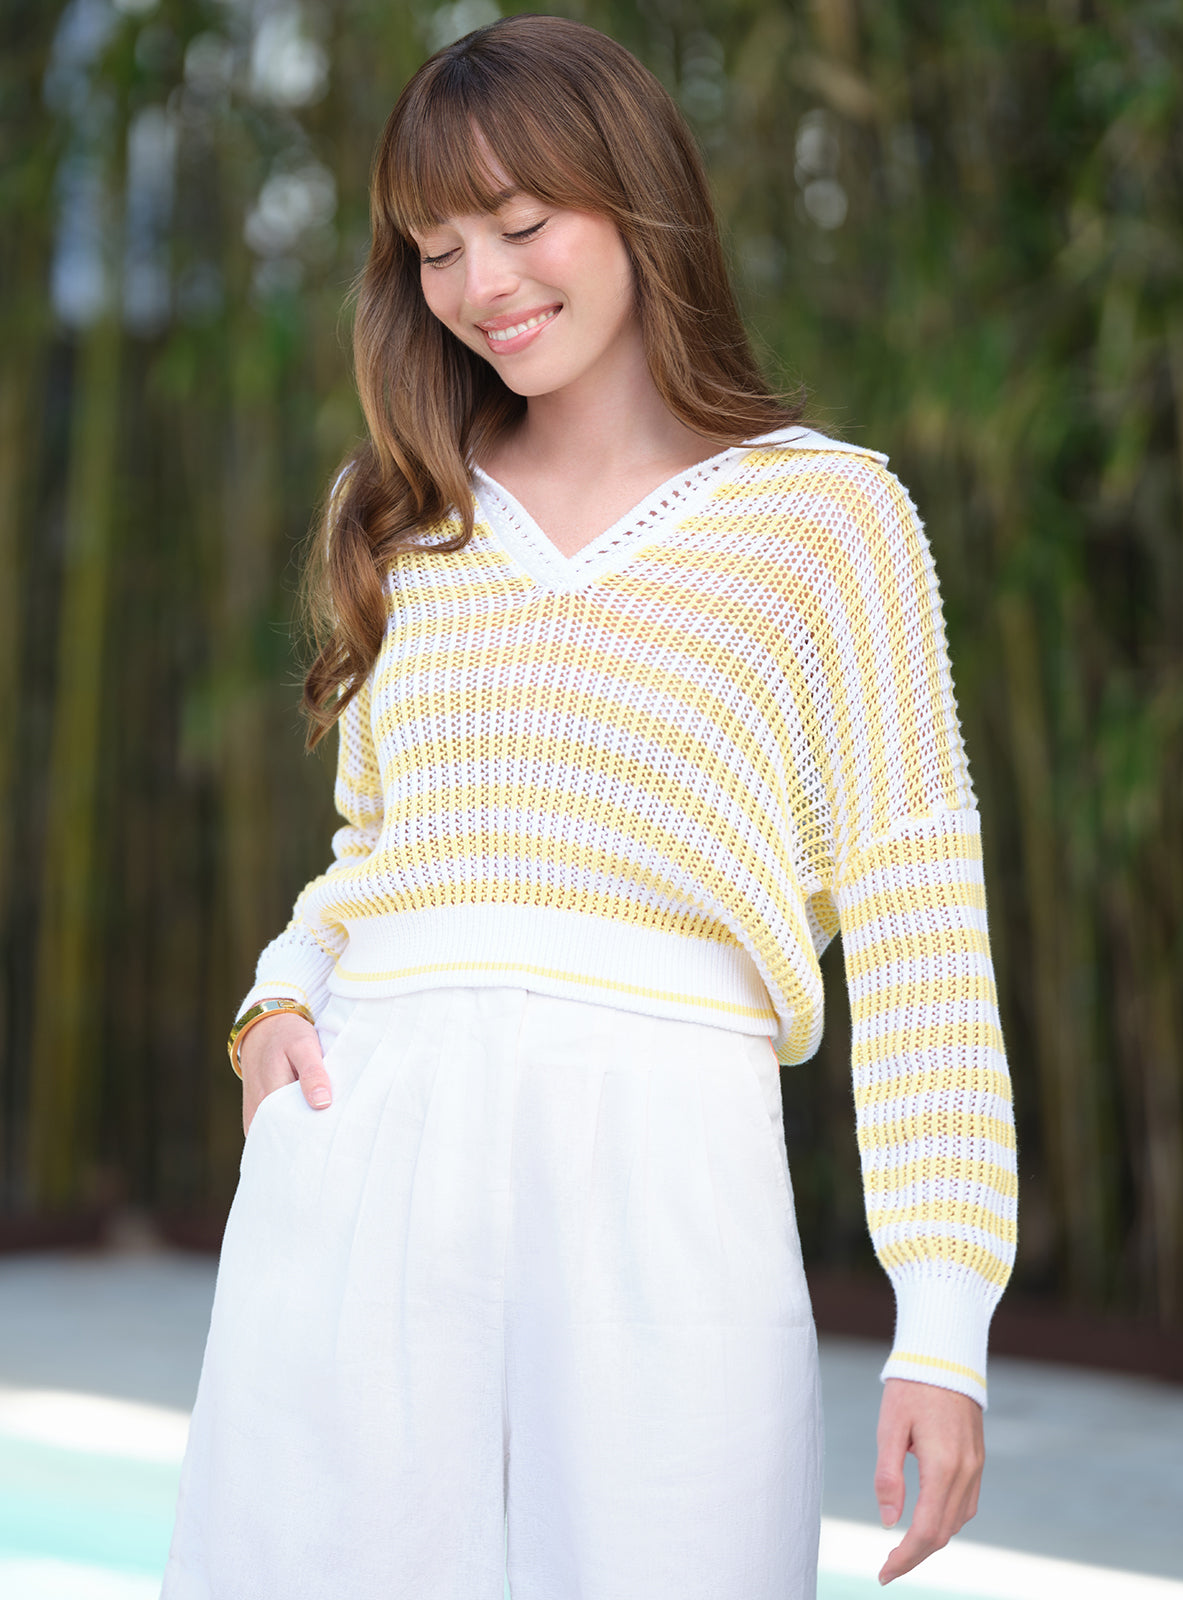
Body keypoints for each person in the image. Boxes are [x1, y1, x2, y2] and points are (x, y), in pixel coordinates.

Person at [161, 14, 1017, 1600]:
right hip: (366, 1152)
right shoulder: (397, 512)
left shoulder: (829, 518)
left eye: (520, 223)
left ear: (635, 199)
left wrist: (944, 1322)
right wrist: (278, 1001)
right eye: (433, 247)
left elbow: (915, 911)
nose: (481, 285)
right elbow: (378, 854)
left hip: (664, 1159)